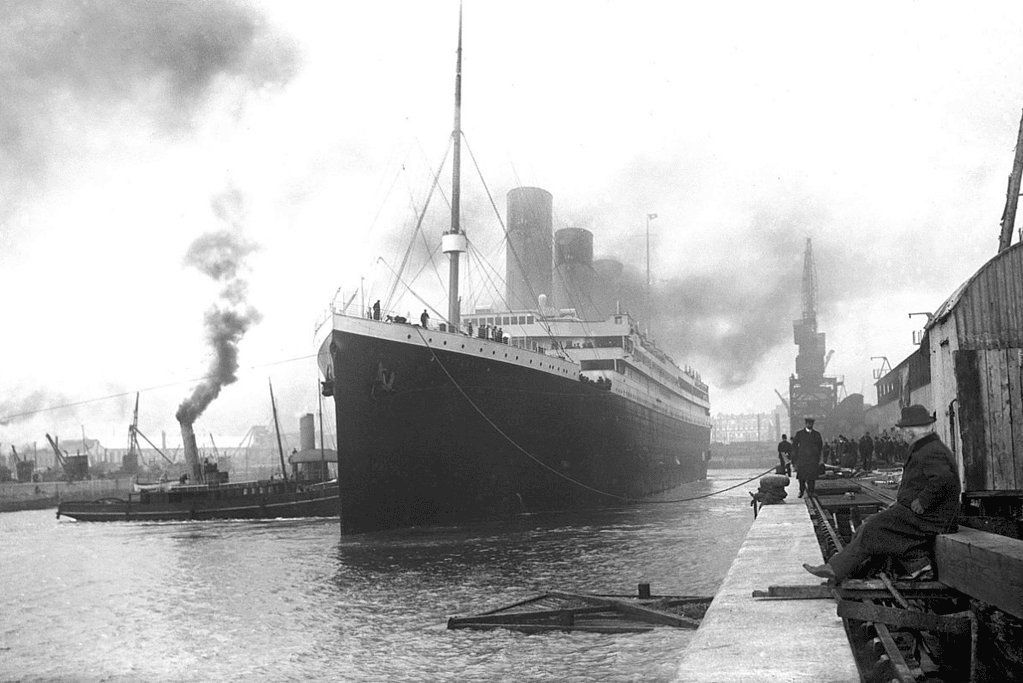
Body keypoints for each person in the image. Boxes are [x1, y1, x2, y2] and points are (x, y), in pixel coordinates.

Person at [803, 405, 961, 582]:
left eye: (903, 431)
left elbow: (943, 479)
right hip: (928, 513)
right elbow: (919, 482)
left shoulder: (929, 450)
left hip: (933, 517)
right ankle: (911, 566)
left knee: (874, 527)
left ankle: (837, 569)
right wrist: (903, 501)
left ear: (912, 431)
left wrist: (923, 501)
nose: (900, 434)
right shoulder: (926, 447)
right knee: (870, 524)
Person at [791, 417, 823, 497]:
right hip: (803, 459)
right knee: (802, 477)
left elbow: (820, 446)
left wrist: (818, 456)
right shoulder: (800, 434)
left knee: (812, 477)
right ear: (806, 424)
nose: (810, 425)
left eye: (811, 423)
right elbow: (794, 445)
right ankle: (801, 491)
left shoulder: (816, 434)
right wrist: (797, 456)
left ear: (813, 424)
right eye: (808, 423)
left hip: (813, 459)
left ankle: (811, 491)